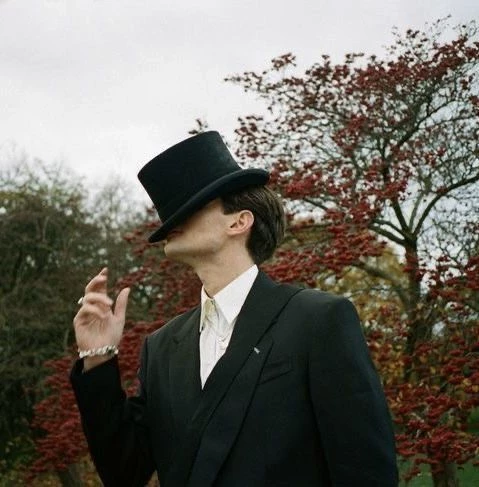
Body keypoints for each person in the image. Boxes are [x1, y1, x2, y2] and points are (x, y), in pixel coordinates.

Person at [71, 131, 398, 486]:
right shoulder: (162, 348)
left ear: (239, 222)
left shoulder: (318, 320)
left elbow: (366, 471)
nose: (170, 223)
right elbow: (125, 472)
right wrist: (97, 359)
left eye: (192, 206)